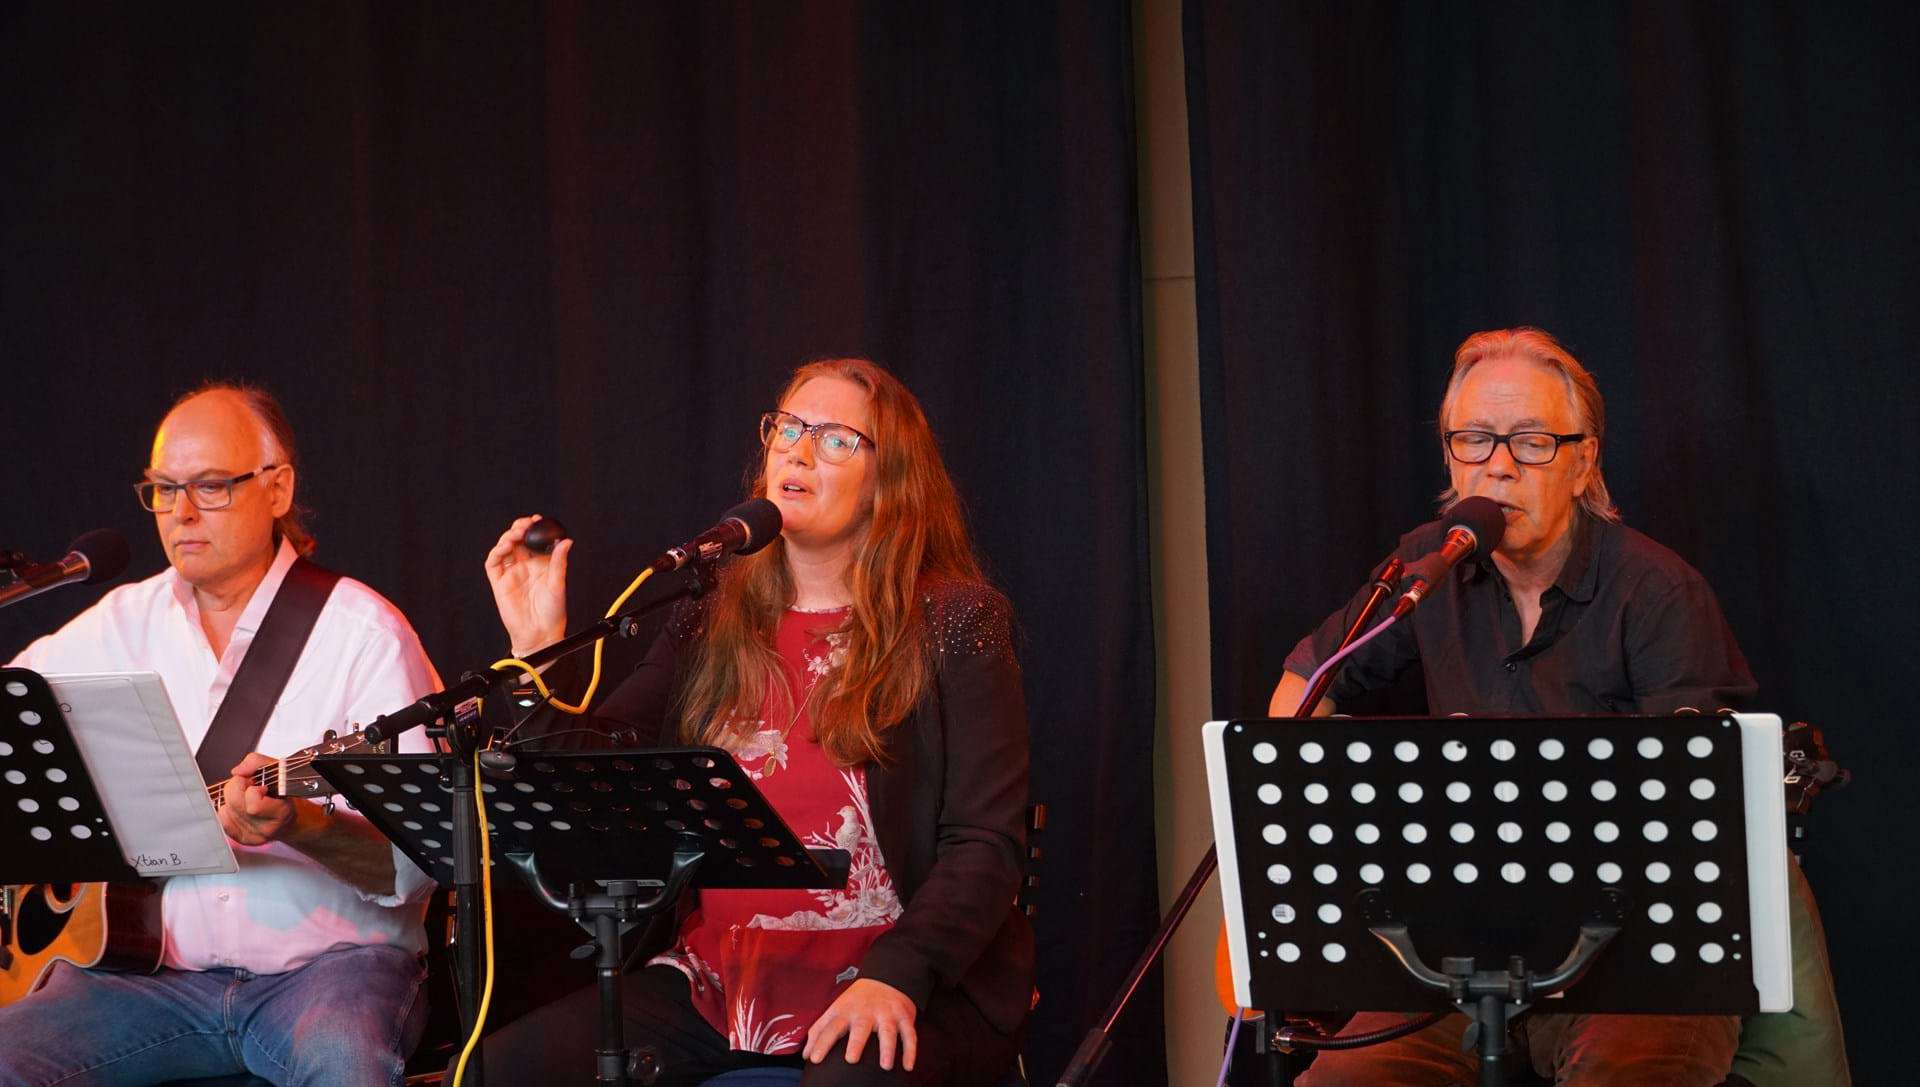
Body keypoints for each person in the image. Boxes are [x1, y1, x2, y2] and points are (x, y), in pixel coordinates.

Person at [1270, 328, 1846, 1086]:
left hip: (1636, 961)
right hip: (1459, 954)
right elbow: (1304, 686)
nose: (1498, 465)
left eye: (1532, 441)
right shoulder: (1425, 568)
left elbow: (1699, 809)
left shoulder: (1659, 592)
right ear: (1451, 457)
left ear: (1584, 463)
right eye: (1474, 439)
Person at [479, 358, 1032, 1086]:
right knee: (494, 1073)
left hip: (901, 975)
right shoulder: (713, 614)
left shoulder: (955, 622)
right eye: (789, 429)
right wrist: (533, 656)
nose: (798, 452)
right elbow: (604, 772)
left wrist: (898, 975)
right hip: (721, 981)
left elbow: (985, 842)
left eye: (835, 439)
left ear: (889, 481)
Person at [0, 383, 441, 1087]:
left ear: (277, 487)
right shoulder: (119, 622)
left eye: (209, 486)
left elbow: (419, 866)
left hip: (330, 972)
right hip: (145, 983)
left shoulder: (363, 636)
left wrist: (301, 825)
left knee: (342, 1060)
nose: (180, 512)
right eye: (163, 489)